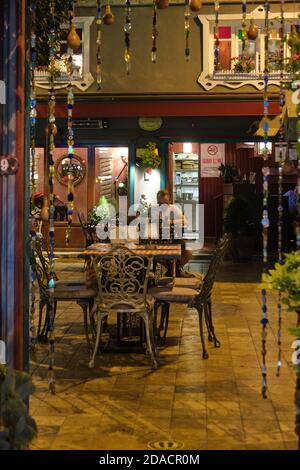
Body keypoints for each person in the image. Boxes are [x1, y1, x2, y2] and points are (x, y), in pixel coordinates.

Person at [155, 189, 193, 274]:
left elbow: (185, 221)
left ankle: (172, 270)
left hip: (174, 238)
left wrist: (170, 222)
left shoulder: (174, 208)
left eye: (165, 203)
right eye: (160, 204)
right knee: (152, 254)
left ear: (169, 201)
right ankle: (174, 270)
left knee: (188, 252)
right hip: (159, 240)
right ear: (157, 202)